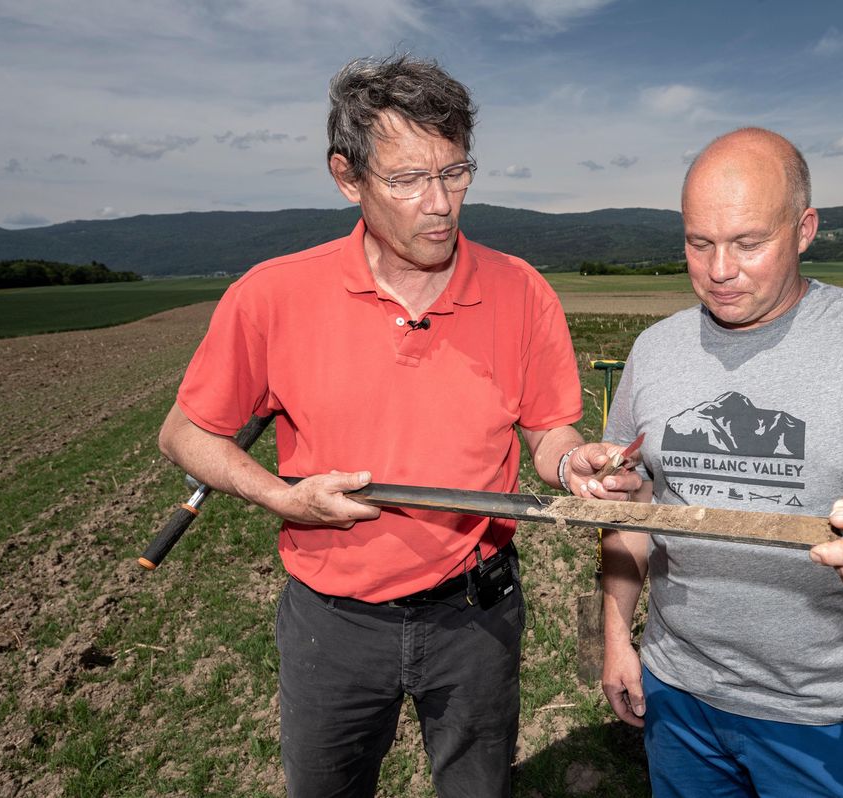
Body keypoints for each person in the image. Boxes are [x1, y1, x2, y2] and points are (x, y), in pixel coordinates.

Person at [157, 55, 639, 798]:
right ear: (347, 178)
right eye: (408, 180)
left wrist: (576, 465)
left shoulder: (521, 291)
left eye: (455, 172)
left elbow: (548, 434)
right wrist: (283, 498)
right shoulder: (271, 296)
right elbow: (185, 434)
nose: (441, 204)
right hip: (333, 628)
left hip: (476, 616)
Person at [600, 128, 843, 798]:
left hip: (827, 719)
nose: (720, 269)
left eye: (749, 243)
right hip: (679, 697)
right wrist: (614, 636)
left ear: (804, 229)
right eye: (699, 243)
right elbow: (631, 507)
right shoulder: (654, 350)